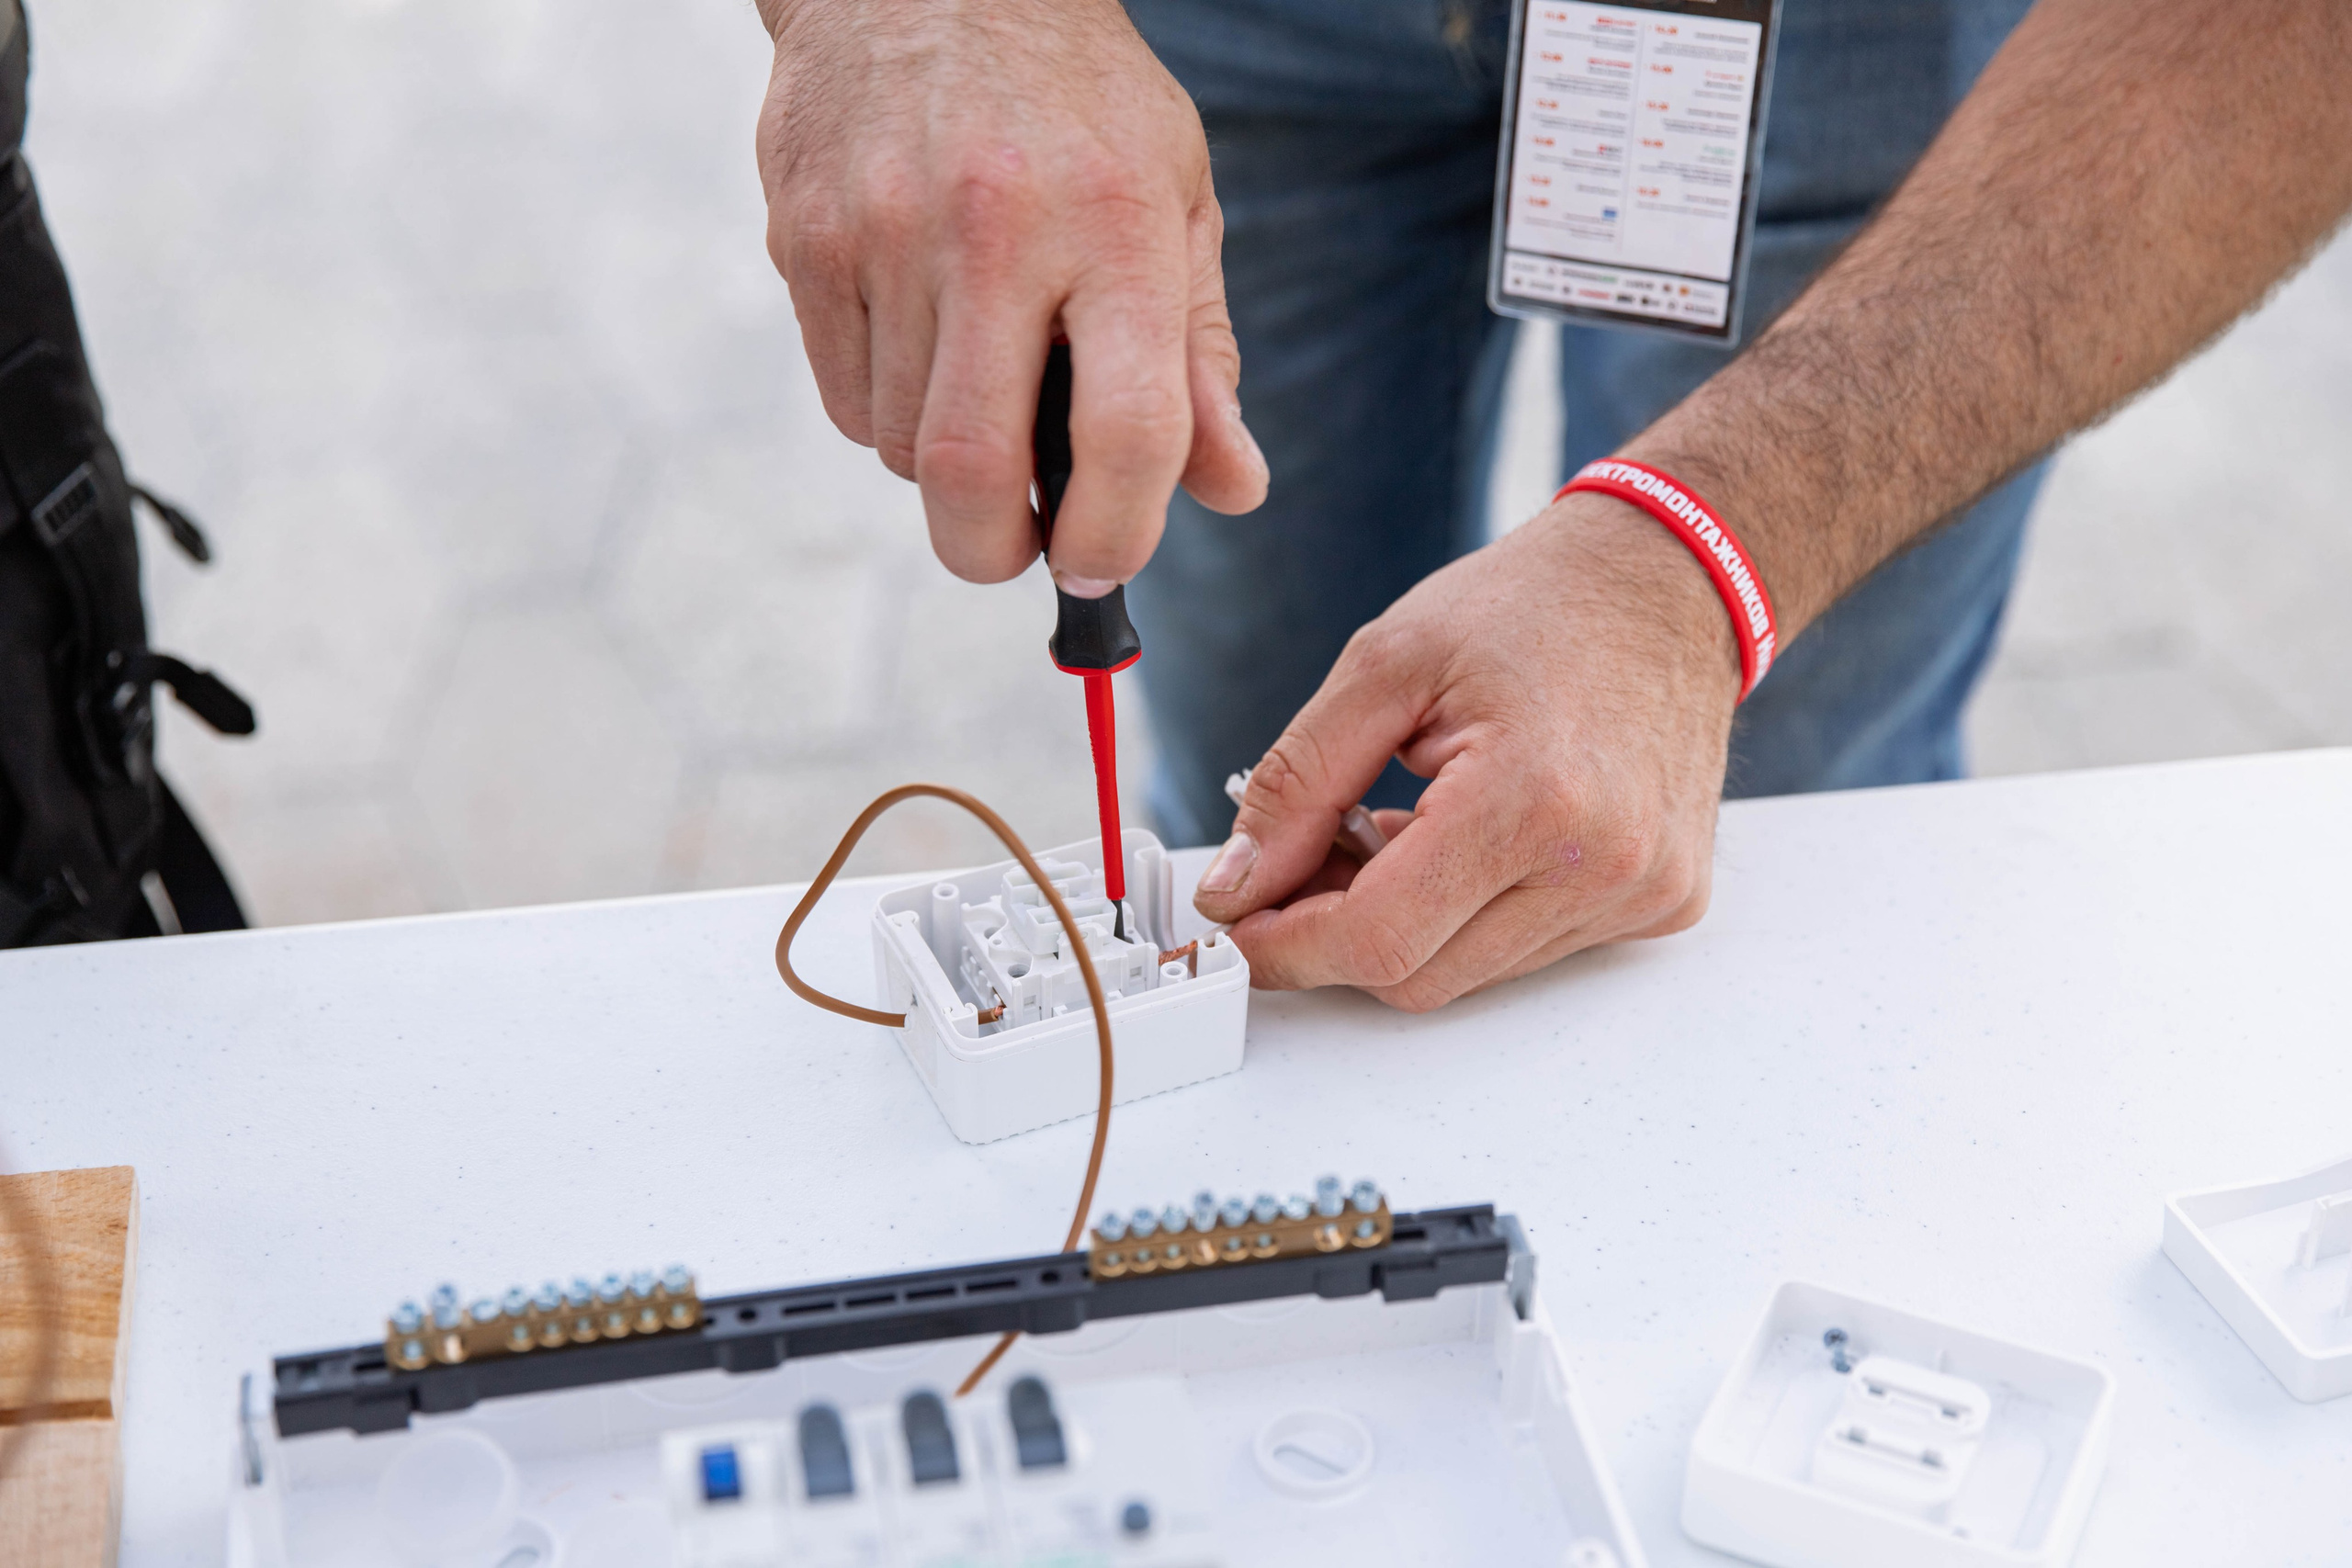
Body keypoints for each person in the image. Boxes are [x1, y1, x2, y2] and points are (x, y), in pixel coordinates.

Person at [749, 0, 2352, 1010]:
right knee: (1275, 768)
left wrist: (1698, 562)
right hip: (1203, 29)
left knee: (1762, 825)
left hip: (1851, 39)